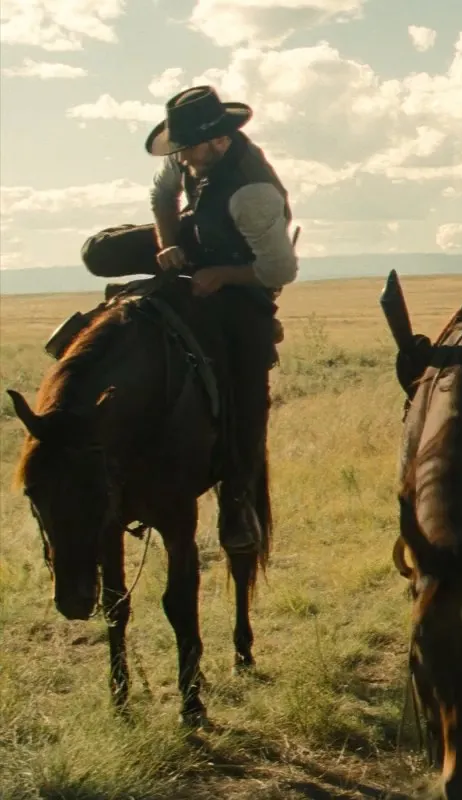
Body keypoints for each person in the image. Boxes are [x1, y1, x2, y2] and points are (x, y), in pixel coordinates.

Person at [79, 85, 297, 554]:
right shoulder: (187, 157)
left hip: (243, 270)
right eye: (180, 148)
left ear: (219, 140)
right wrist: (167, 243)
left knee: (246, 379)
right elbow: (163, 195)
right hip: (200, 237)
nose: (183, 156)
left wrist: (220, 276)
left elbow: (279, 269)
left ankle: (237, 496)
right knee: (98, 252)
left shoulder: (253, 192)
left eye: (190, 147)